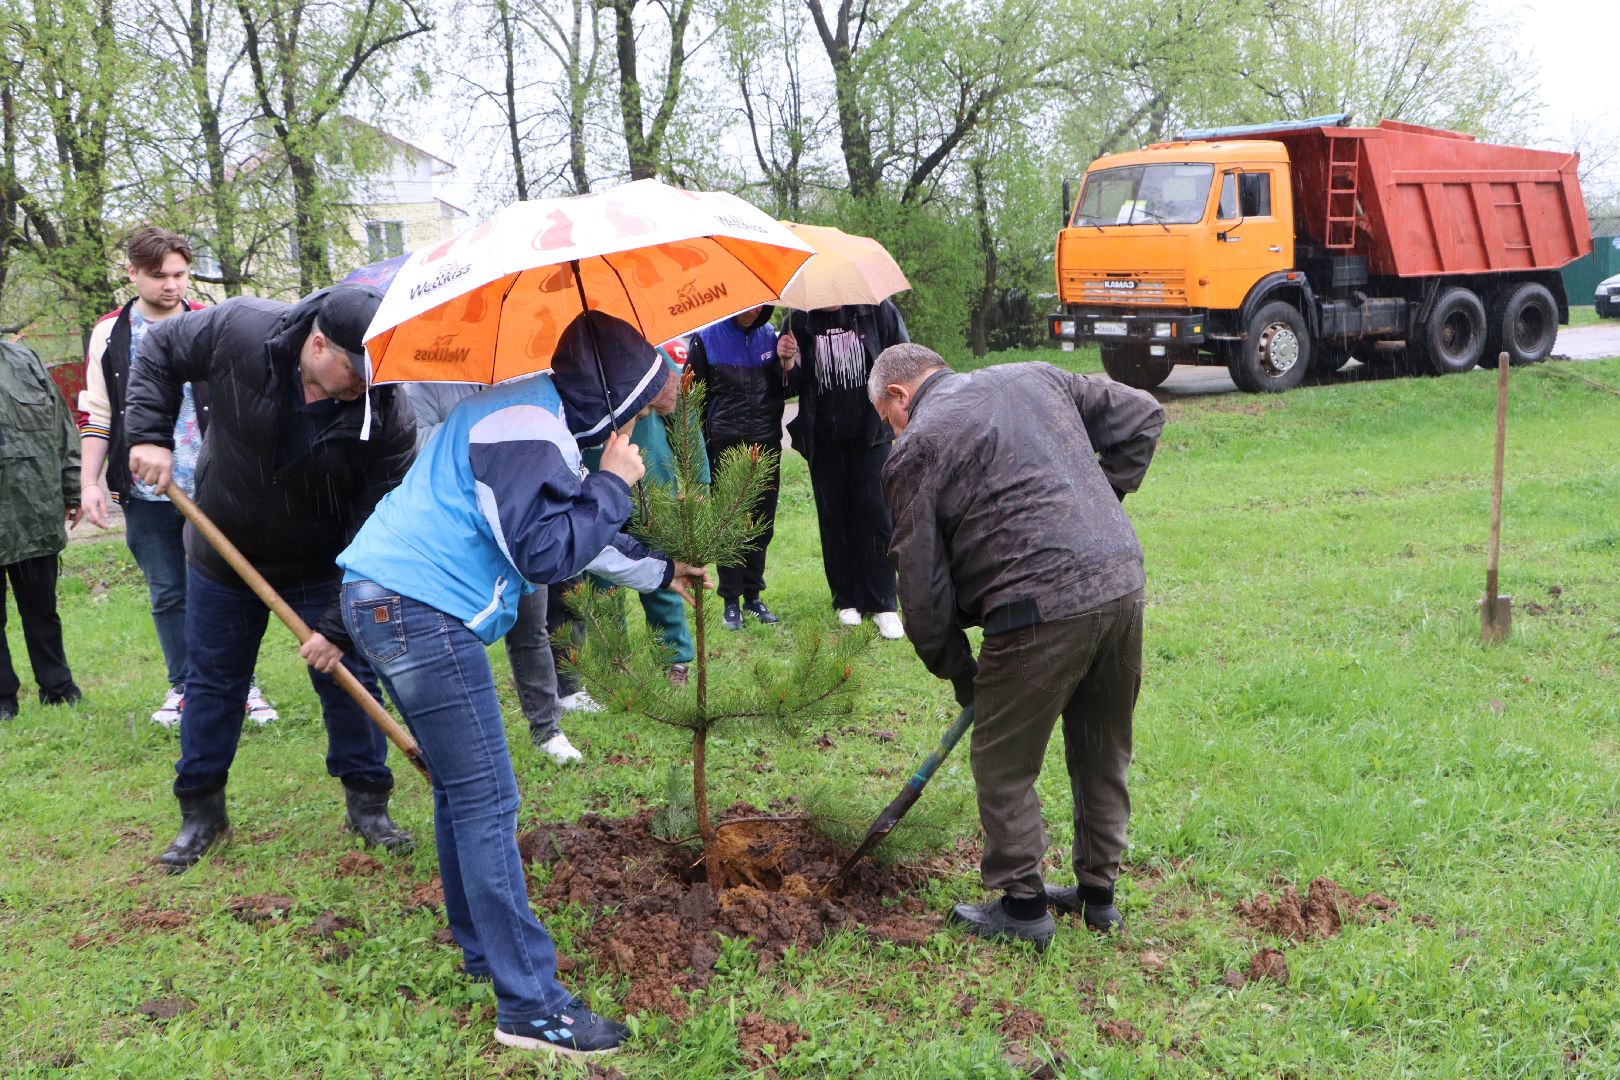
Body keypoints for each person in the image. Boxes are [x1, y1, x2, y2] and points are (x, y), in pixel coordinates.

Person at [333, 311, 706, 1058]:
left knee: (457, 788)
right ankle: (531, 1006)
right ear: (612, 396)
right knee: (487, 799)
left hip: (390, 599)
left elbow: (572, 530)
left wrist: (663, 570)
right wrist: (613, 483)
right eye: (628, 413)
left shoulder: (533, 415)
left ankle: (481, 949)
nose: (625, 432)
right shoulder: (525, 425)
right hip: (417, 608)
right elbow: (543, 553)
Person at [870, 343, 1164, 950]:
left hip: (1034, 609)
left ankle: (1024, 909)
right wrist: (1100, 503)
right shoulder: (1035, 376)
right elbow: (1141, 414)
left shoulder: (917, 447)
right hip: (1121, 584)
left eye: (886, 418)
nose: (892, 432)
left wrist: (958, 670)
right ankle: (1097, 896)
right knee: (1101, 749)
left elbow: (921, 592)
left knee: (1002, 764)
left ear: (898, 396)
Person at [124, 283, 417, 873]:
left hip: (324, 564)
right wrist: (149, 434)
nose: (368, 381)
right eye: (355, 368)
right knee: (212, 684)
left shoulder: (385, 414)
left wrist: (334, 627)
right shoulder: (240, 329)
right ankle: (201, 812)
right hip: (223, 554)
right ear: (316, 344)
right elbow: (158, 350)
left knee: (349, 676)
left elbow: (380, 534)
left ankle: (368, 804)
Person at [78, 226, 279, 727]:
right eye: (158, 276)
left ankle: (242, 686)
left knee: (229, 586)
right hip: (147, 489)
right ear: (132, 273)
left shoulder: (210, 323)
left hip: (214, 483)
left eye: (180, 274)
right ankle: (185, 686)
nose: (171, 285)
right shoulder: (110, 333)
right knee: (168, 590)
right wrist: (89, 484)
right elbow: (99, 414)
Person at [403, 381, 582, 763]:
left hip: (520, 522)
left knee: (531, 630)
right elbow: (414, 448)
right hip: (458, 533)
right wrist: (485, 426)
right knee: (458, 640)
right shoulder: (422, 385)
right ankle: (465, 739)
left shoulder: (527, 379)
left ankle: (547, 728)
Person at [781, 300, 908, 638]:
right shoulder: (799, 320)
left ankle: (883, 604)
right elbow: (787, 387)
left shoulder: (877, 312)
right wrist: (786, 360)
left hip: (872, 435)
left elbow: (904, 362)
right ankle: (846, 600)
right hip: (822, 439)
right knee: (834, 518)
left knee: (878, 518)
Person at [578, 350, 706, 682]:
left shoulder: (652, 356)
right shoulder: (575, 362)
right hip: (596, 481)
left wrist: (700, 477)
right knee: (601, 575)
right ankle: (614, 659)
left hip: (653, 479)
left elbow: (683, 410)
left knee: (662, 566)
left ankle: (674, 656)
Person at [686, 306, 788, 631]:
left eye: (761, 304)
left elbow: (788, 389)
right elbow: (692, 399)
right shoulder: (706, 339)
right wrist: (698, 453)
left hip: (767, 445)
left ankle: (753, 597)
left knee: (762, 523)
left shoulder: (771, 336)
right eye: (748, 304)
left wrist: (788, 362)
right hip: (724, 445)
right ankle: (731, 601)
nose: (753, 310)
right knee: (730, 523)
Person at [0, 337, 83, 720]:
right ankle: (3, 700)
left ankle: (58, 688)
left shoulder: (24, 359)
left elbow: (61, 427)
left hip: (31, 510)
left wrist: (73, 487)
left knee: (42, 610)